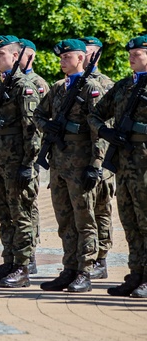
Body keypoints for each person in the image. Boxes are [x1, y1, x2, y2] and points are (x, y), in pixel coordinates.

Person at [34, 39, 104, 293]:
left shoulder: (91, 88)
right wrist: (47, 126)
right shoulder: (58, 88)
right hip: (59, 162)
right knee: (64, 220)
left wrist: (96, 164)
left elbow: (99, 128)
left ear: (81, 58)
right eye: (61, 58)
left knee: (84, 219)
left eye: (67, 57)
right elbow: (38, 114)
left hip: (81, 161)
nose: (62, 61)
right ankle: (69, 268)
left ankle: (85, 271)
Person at [0, 35, 41, 288]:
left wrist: (28, 164)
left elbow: (32, 129)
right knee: (4, 215)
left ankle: (22, 266)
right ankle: (10, 260)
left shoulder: (24, 86)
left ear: (15, 56)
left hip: (16, 161)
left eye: (0, 54)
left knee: (20, 214)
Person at [90, 35, 147, 297]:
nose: (131, 56)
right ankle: (136, 274)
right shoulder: (124, 86)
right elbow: (95, 113)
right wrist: (105, 131)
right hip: (125, 163)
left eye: (138, 52)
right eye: (130, 52)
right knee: (130, 220)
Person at [79, 36, 115, 281]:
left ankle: (101, 258)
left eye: (90, 52)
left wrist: (99, 162)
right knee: (85, 212)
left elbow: (106, 126)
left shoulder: (106, 84)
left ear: (98, 55)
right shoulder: (76, 83)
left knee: (101, 210)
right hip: (79, 156)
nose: (86, 56)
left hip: (102, 158)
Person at [19, 37, 48, 275]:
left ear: (31, 56)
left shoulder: (38, 83)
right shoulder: (6, 81)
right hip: (8, 154)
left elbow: (37, 125)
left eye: (23, 53)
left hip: (28, 154)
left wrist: (32, 158)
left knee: (28, 205)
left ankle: (31, 253)